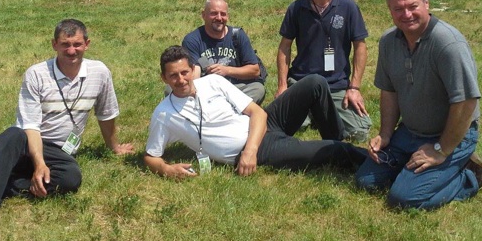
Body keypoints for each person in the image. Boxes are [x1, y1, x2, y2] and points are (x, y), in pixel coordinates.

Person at [0, 19, 134, 238]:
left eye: (77, 44)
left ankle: (1, 182)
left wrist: (113, 146)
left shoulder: (100, 72)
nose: (71, 50)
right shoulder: (36, 74)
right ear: (54, 45)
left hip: (58, 150)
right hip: (27, 140)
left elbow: (106, 114)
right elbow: (30, 125)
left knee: (70, 178)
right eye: (65, 44)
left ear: (87, 43)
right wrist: (39, 164)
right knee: (11, 136)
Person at [355, 0, 482, 210]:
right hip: (410, 132)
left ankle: (469, 178)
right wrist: (386, 134)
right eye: (398, 9)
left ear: (426, 4)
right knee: (367, 182)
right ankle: (421, 171)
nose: (406, 14)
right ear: (390, 10)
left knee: (404, 199)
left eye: (413, 7)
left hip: (450, 137)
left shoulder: (448, 44)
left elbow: (466, 102)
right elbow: (389, 91)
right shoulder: (389, 41)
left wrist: (441, 150)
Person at [144, 46, 367, 178]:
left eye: (185, 72)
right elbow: (151, 156)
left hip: (262, 128)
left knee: (315, 83)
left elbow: (258, 113)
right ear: (164, 78)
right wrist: (166, 169)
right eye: (173, 76)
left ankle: (336, 138)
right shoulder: (164, 114)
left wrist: (250, 151)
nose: (181, 79)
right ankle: (368, 160)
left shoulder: (212, 82)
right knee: (332, 151)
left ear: (193, 70)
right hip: (262, 148)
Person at [276, 0, 371, 141]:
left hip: (335, 84)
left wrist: (354, 87)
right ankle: (313, 112)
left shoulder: (348, 7)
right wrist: (282, 86)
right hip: (303, 81)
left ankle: (316, 112)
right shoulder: (296, 8)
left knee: (360, 133)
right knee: (280, 127)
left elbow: (360, 46)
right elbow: (284, 48)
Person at [181, 0, 265, 104]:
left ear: (227, 16)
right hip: (205, 91)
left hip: (234, 88)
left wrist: (226, 70)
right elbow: (194, 73)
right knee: (171, 89)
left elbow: (255, 70)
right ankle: (228, 111)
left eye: (223, 14)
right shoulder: (193, 40)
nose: (219, 18)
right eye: (214, 13)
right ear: (204, 15)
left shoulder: (238, 35)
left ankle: (223, 113)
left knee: (258, 88)